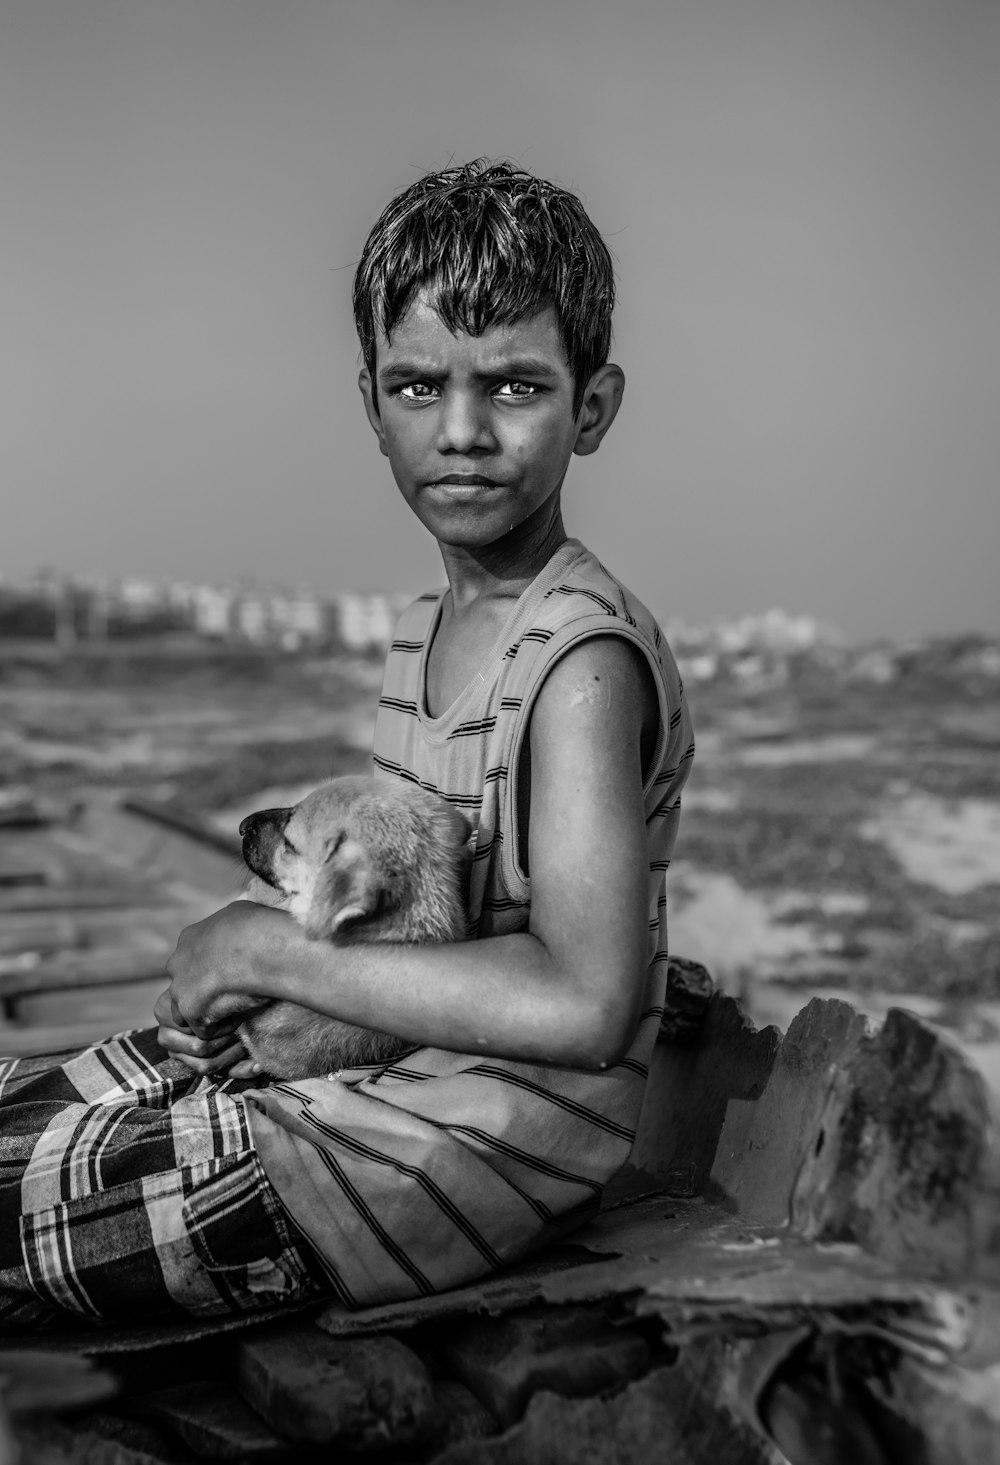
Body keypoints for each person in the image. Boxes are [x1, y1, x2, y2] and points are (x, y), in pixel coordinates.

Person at [0, 160, 694, 1328]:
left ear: (594, 406)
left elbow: (582, 1001)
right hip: (366, 1086)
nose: (463, 433)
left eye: (514, 387)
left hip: (437, 1157)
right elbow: (417, 916)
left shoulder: (575, 663)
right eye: (419, 388)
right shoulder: (429, 626)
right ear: (370, 404)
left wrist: (268, 956)